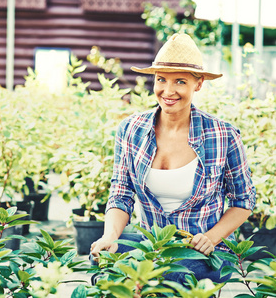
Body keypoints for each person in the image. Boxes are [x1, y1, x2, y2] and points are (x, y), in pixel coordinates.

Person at [90, 33, 256, 284]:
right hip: (152, 243)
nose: (168, 91)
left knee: (172, 275)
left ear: (198, 84)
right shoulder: (131, 129)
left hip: (205, 249)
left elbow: (243, 200)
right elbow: (121, 193)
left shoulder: (223, 135)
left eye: (180, 81)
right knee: (103, 260)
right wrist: (110, 236)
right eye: (161, 80)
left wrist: (211, 237)